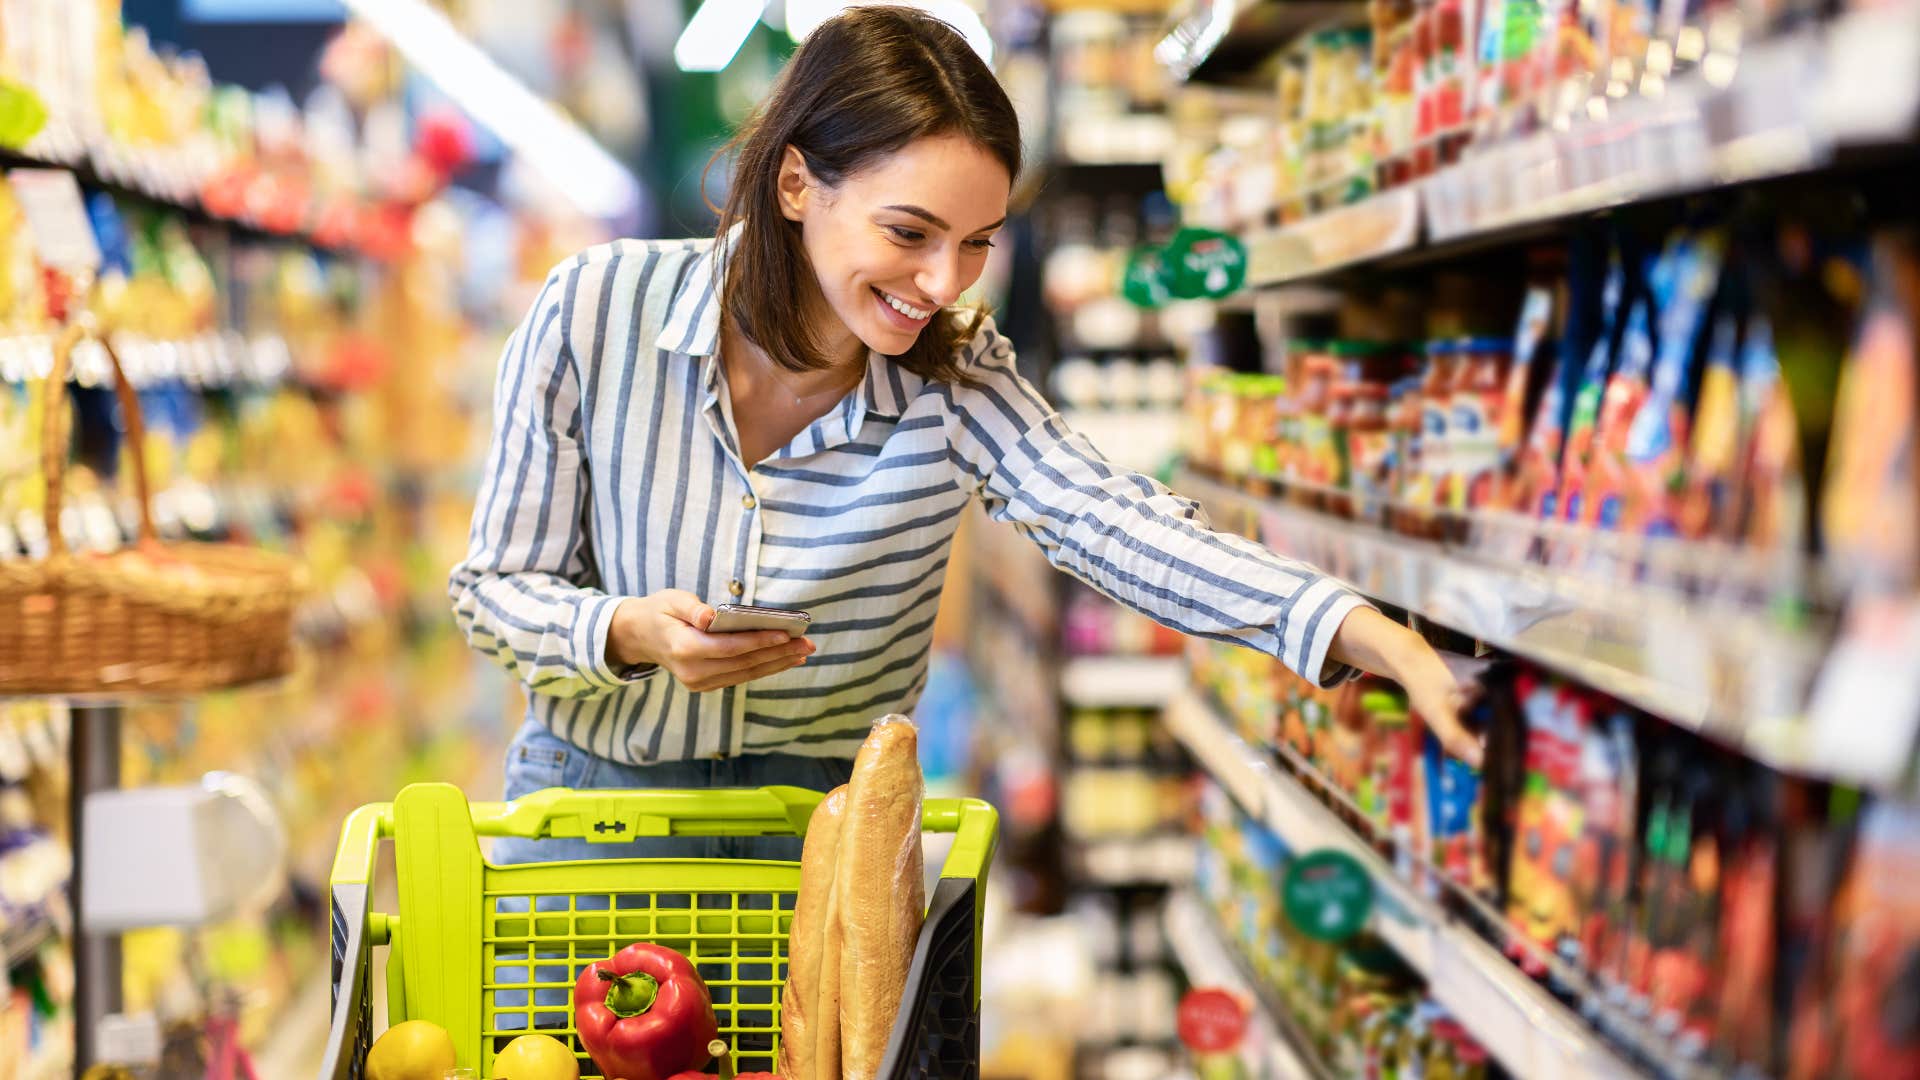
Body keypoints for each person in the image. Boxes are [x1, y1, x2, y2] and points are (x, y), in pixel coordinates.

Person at [450, 6, 1480, 869]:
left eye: (976, 243)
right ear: (797, 185)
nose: (942, 284)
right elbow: (494, 589)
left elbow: (1109, 521)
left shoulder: (953, 373)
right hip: (592, 821)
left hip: (830, 845)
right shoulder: (595, 310)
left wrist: (1357, 628)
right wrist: (627, 633)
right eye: (909, 234)